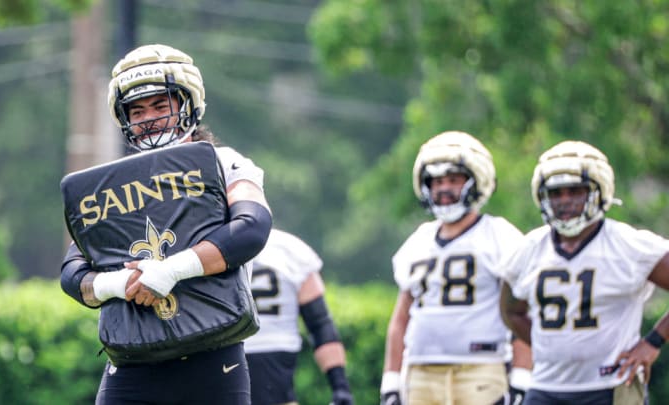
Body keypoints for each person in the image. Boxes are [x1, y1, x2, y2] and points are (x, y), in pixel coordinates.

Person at [59, 43, 272, 405]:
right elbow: (73, 273)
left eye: (161, 105)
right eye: (137, 110)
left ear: (189, 104)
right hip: (132, 363)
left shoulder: (223, 162)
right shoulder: (111, 182)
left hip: (212, 355)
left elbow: (252, 226)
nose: (150, 118)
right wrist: (119, 283)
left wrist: (173, 269)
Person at [500, 140, 669, 405]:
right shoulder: (529, 249)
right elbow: (511, 311)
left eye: (575, 191)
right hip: (546, 387)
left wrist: (653, 342)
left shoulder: (627, 244)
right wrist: (554, 347)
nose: (565, 201)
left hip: (611, 386)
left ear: (599, 191)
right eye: (556, 193)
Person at [379, 131, 531, 405]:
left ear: (475, 182)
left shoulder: (498, 235)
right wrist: (391, 381)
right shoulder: (419, 240)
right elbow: (401, 318)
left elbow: (521, 310)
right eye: (436, 181)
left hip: (481, 370)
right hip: (420, 371)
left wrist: (521, 377)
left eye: (453, 180)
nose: (443, 189)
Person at [244, 228, 354, 405]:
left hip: (226, 358)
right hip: (276, 362)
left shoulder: (206, 244)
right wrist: (340, 386)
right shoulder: (289, 248)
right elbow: (320, 323)